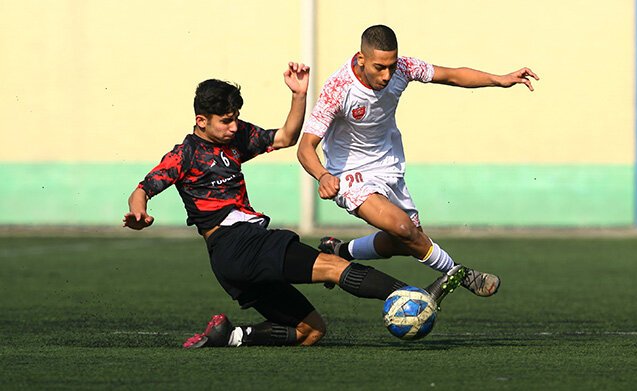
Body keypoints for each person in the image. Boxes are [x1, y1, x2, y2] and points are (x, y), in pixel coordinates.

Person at [123, 64, 462, 348]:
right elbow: (144, 188)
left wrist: (298, 95)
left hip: (232, 263)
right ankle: (410, 295)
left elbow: (285, 137)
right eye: (226, 120)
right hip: (237, 243)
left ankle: (232, 335)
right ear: (201, 121)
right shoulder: (185, 154)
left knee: (311, 331)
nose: (234, 126)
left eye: (236, 118)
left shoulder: (236, 139)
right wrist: (139, 211)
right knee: (332, 265)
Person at [298, 25, 539, 297]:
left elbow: (450, 75)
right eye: (380, 67)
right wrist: (323, 175)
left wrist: (500, 79)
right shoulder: (338, 89)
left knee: (406, 241)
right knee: (403, 228)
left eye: (392, 65)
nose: (387, 75)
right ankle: (461, 274)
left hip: (388, 165)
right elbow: (305, 147)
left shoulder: (404, 67)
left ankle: (339, 250)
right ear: (361, 58)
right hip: (349, 172)